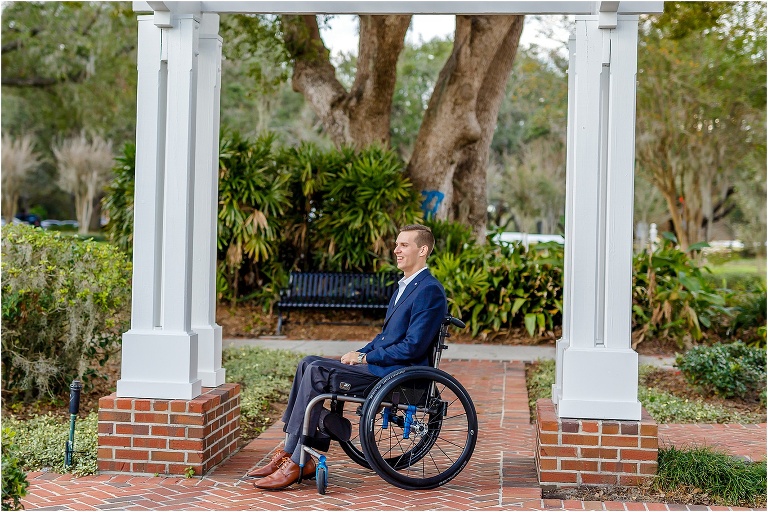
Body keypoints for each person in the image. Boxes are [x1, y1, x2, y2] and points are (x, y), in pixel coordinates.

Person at [250, 224, 447, 491]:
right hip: (384, 366)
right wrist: (362, 353)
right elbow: (385, 338)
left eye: (404, 245)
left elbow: (412, 347)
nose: (396, 250)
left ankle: (298, 458)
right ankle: (293, 451)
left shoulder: (429, 290)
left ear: (422, 250)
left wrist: (366, 359)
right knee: (308, 362)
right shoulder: (406, 286)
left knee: (317, 372)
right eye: (397, 244)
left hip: (399, 376)